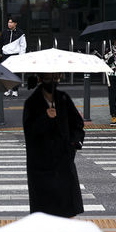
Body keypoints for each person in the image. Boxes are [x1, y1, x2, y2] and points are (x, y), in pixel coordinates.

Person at [23, 73, 84, 218]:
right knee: (46, 214)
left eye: (54, 78)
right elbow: (29, 133)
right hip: (41, 167)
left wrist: (74, 144)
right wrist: (45, 117)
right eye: (48, 78)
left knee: (67, 210)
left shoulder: (63, 99)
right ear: (40, 79)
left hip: (63, 162)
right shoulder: (32, 103)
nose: (52, 82)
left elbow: (77, 124)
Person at [0, 16, 26, 96]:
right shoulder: (4, 32)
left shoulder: (20, 33)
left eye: (11, 22)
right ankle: (7, 89)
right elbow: (0, 43)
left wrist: (21, 56)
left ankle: (15, 90)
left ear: (15, 23)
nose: (9, 24)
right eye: (9, 22)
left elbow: (23, 46)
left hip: (15, 55)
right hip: (5, 55)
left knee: (15, 73)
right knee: (6, 73)